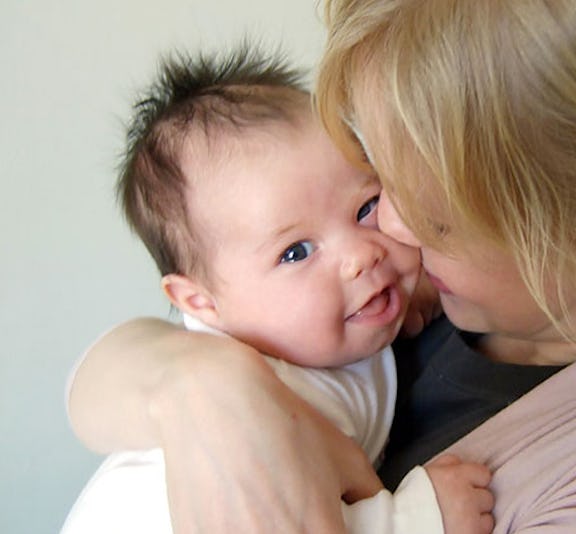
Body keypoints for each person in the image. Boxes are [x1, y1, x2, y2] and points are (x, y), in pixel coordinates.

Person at [67, 0, 576, 532]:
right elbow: (98, 387)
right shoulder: (440, 294)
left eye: (439, 201)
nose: (388, 228)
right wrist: (199, 384)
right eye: (383, 168)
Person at [61, 47, 493, 534]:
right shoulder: (263, 397)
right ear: (202, 304)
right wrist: (416, 519)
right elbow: (293, 516)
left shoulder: (305, 331)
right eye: (296, 252)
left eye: (365, 206)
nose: (362, 255)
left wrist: (416, 293)